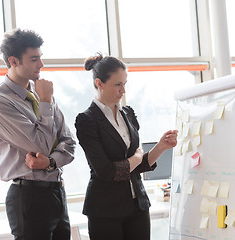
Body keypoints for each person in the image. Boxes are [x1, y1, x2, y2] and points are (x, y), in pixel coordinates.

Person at [0, 29, 76, 240]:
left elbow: (69, 143)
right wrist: (45, 101)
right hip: (29, 198)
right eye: (34, 59)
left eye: (41, 58)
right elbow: (41, 146)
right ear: (14, 61)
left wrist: (50, 163)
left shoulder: (40, 93)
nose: (41, 65)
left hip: (56, 192)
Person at [75, 53, 178, 240]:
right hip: (105, 210)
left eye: (125, 84)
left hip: (137, 205)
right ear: (99, 83)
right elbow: (106, 171)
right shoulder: (87, 120)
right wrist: (137, 158)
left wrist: (161, 146)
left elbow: (135, 167)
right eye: (117, 85)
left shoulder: (128, 113)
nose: (123, 90)